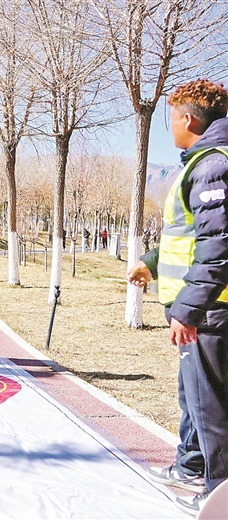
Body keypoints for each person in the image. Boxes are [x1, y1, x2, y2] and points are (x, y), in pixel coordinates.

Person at [126, 79, 228, 516]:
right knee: (194, 396)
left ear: (188, 120)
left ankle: (219, 491)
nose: (170, 128)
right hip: (202, 305)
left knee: (211, 405)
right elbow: (188, 233)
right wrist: (151, 261)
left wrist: (188, 309)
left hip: (210, 309)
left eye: (171, 119)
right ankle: (191, 467)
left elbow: (218, 245)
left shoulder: (212, 165)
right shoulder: (202, 164)